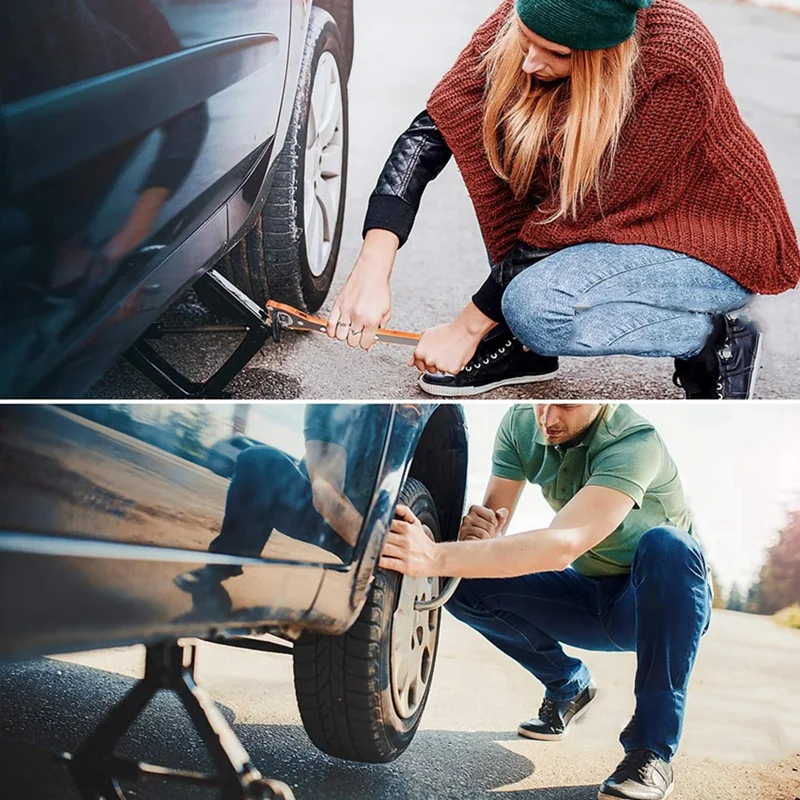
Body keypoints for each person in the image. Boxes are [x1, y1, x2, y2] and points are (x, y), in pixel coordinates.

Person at [327, 0, 800, 400]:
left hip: (711, 244)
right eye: (526, 40)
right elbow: (432, 131)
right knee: (520, 300)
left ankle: (714, 340)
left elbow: (570, 221)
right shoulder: (527, 21)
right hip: (613, 230)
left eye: (555, 53)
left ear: (606, 54)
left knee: (537, 308)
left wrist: (467, 328)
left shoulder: (677, 62)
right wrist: (373, 261)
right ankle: (525, 347)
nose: (530, 62)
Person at [379, 403, 710, 800]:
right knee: (462, 581)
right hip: (589, 597)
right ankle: (568, 686)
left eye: (567, 405)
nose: (548, 419)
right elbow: (493, 521)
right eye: (543, 404)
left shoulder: (634, 442)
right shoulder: (522, 424)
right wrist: (474, 539)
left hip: (652, 605)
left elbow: (563, 545)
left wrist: (434, 555)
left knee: (668, 546)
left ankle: (651, 751)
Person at [175, 404, 388, 590]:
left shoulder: (401, 424)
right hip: (322, 518)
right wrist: (377, 547)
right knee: (259, 460)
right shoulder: (334, 408)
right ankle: (219, 569)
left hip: (376, 521)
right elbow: (326, 493)